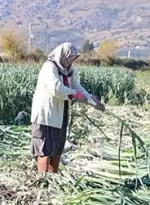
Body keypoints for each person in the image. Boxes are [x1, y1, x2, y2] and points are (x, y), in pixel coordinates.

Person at [31, 42, 105, 172]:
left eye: (73, 58)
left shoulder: (68, 71)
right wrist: (74, 94)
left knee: (57, 150)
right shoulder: (49, 67)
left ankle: (53, 177)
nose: (71, 61)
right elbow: (56, 88)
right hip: (46, 116)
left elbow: (78, 88)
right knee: (45, 150)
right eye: (69, 58)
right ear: (62, 56)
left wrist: (93, 101)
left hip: (61, 116)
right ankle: (42, 178)